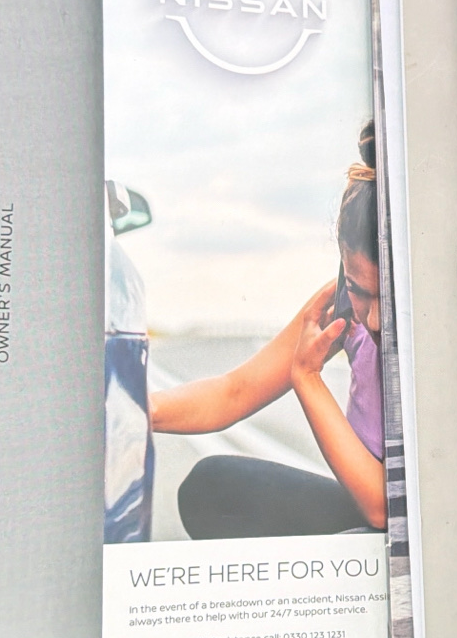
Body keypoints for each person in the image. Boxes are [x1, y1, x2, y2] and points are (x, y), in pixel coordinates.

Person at [151, 124, 385, 538]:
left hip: (415, 527)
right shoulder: (342, 310)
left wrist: (307, 378)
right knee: (212, 486)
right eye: (358, 288)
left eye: (390, 295)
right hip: (366, 514)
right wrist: (132, 411)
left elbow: (385, 509)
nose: (375, 320)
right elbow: (234, 391)